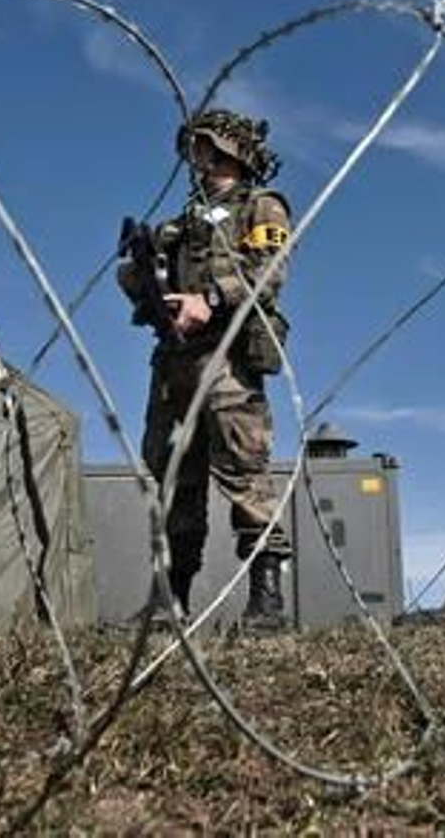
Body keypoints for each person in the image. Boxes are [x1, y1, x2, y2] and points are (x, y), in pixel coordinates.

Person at [117, 108, 294, 630]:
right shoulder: (181, 222)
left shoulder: (261, 207)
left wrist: (211, 299)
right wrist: (141, 272)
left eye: (205, 146)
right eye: (194, 146)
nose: (196, 157)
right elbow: (140, 281)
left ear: (230, 150)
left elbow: (271, 274)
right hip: (175, 360)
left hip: (229, 356)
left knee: (244, 471)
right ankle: (170, 600)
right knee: (174, 477)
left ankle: (267, 600)